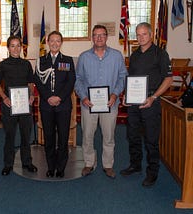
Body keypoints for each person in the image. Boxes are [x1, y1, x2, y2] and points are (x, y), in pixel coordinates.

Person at [120, 22, 173, 186]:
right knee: (133, 136)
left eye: (144, 34)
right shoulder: (134, 55)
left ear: (151, 35)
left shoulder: (161, 54)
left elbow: (169, 79)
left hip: (151, 102)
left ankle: (152, 172)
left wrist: (154, 97)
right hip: (134, 104)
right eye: (138, 34)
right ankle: (135, 165)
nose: (140, 37)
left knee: (151, 139)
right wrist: (126, 96)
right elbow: (131, 79)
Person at [75, 25, 127, 179]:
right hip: (88, 104)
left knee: (109, 136)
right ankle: (89, 163)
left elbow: (122, 77)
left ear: (106, 37)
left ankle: (108, 165)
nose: (99, 38)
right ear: (92, 37)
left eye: (102, 35)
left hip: (110, 104)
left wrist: (115, 95)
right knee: (87, 135)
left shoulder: (117, 56)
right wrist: (83, 96)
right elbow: (78, 79)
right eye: (96, 35)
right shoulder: (84, 57)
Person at [34, 31, 76, 178]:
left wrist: (59, 97)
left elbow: (70, 82)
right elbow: (38, 82)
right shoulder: (40, 61)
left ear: (61, 43)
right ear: (47, 41)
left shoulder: (68, 60)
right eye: (52, 40)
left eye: (58, 41)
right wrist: (48, 98)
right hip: (46, 106)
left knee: (63, 138)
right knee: (49, 137)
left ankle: (61, 167)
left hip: (63, 106)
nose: (55, 43)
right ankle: (51, 167)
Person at [0, 35, 37, 176]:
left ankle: (27, 162)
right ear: (8, 48)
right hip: (9, 105)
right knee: (9, 136)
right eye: (12, 45)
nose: (16, 48)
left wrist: (31, 94)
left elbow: (31, 82)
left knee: (26, 136)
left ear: (21, 47)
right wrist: (4, 97)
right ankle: (8, 164)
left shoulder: (26, 64)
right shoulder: (3, 64)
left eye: (18, 45)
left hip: (25, 105)